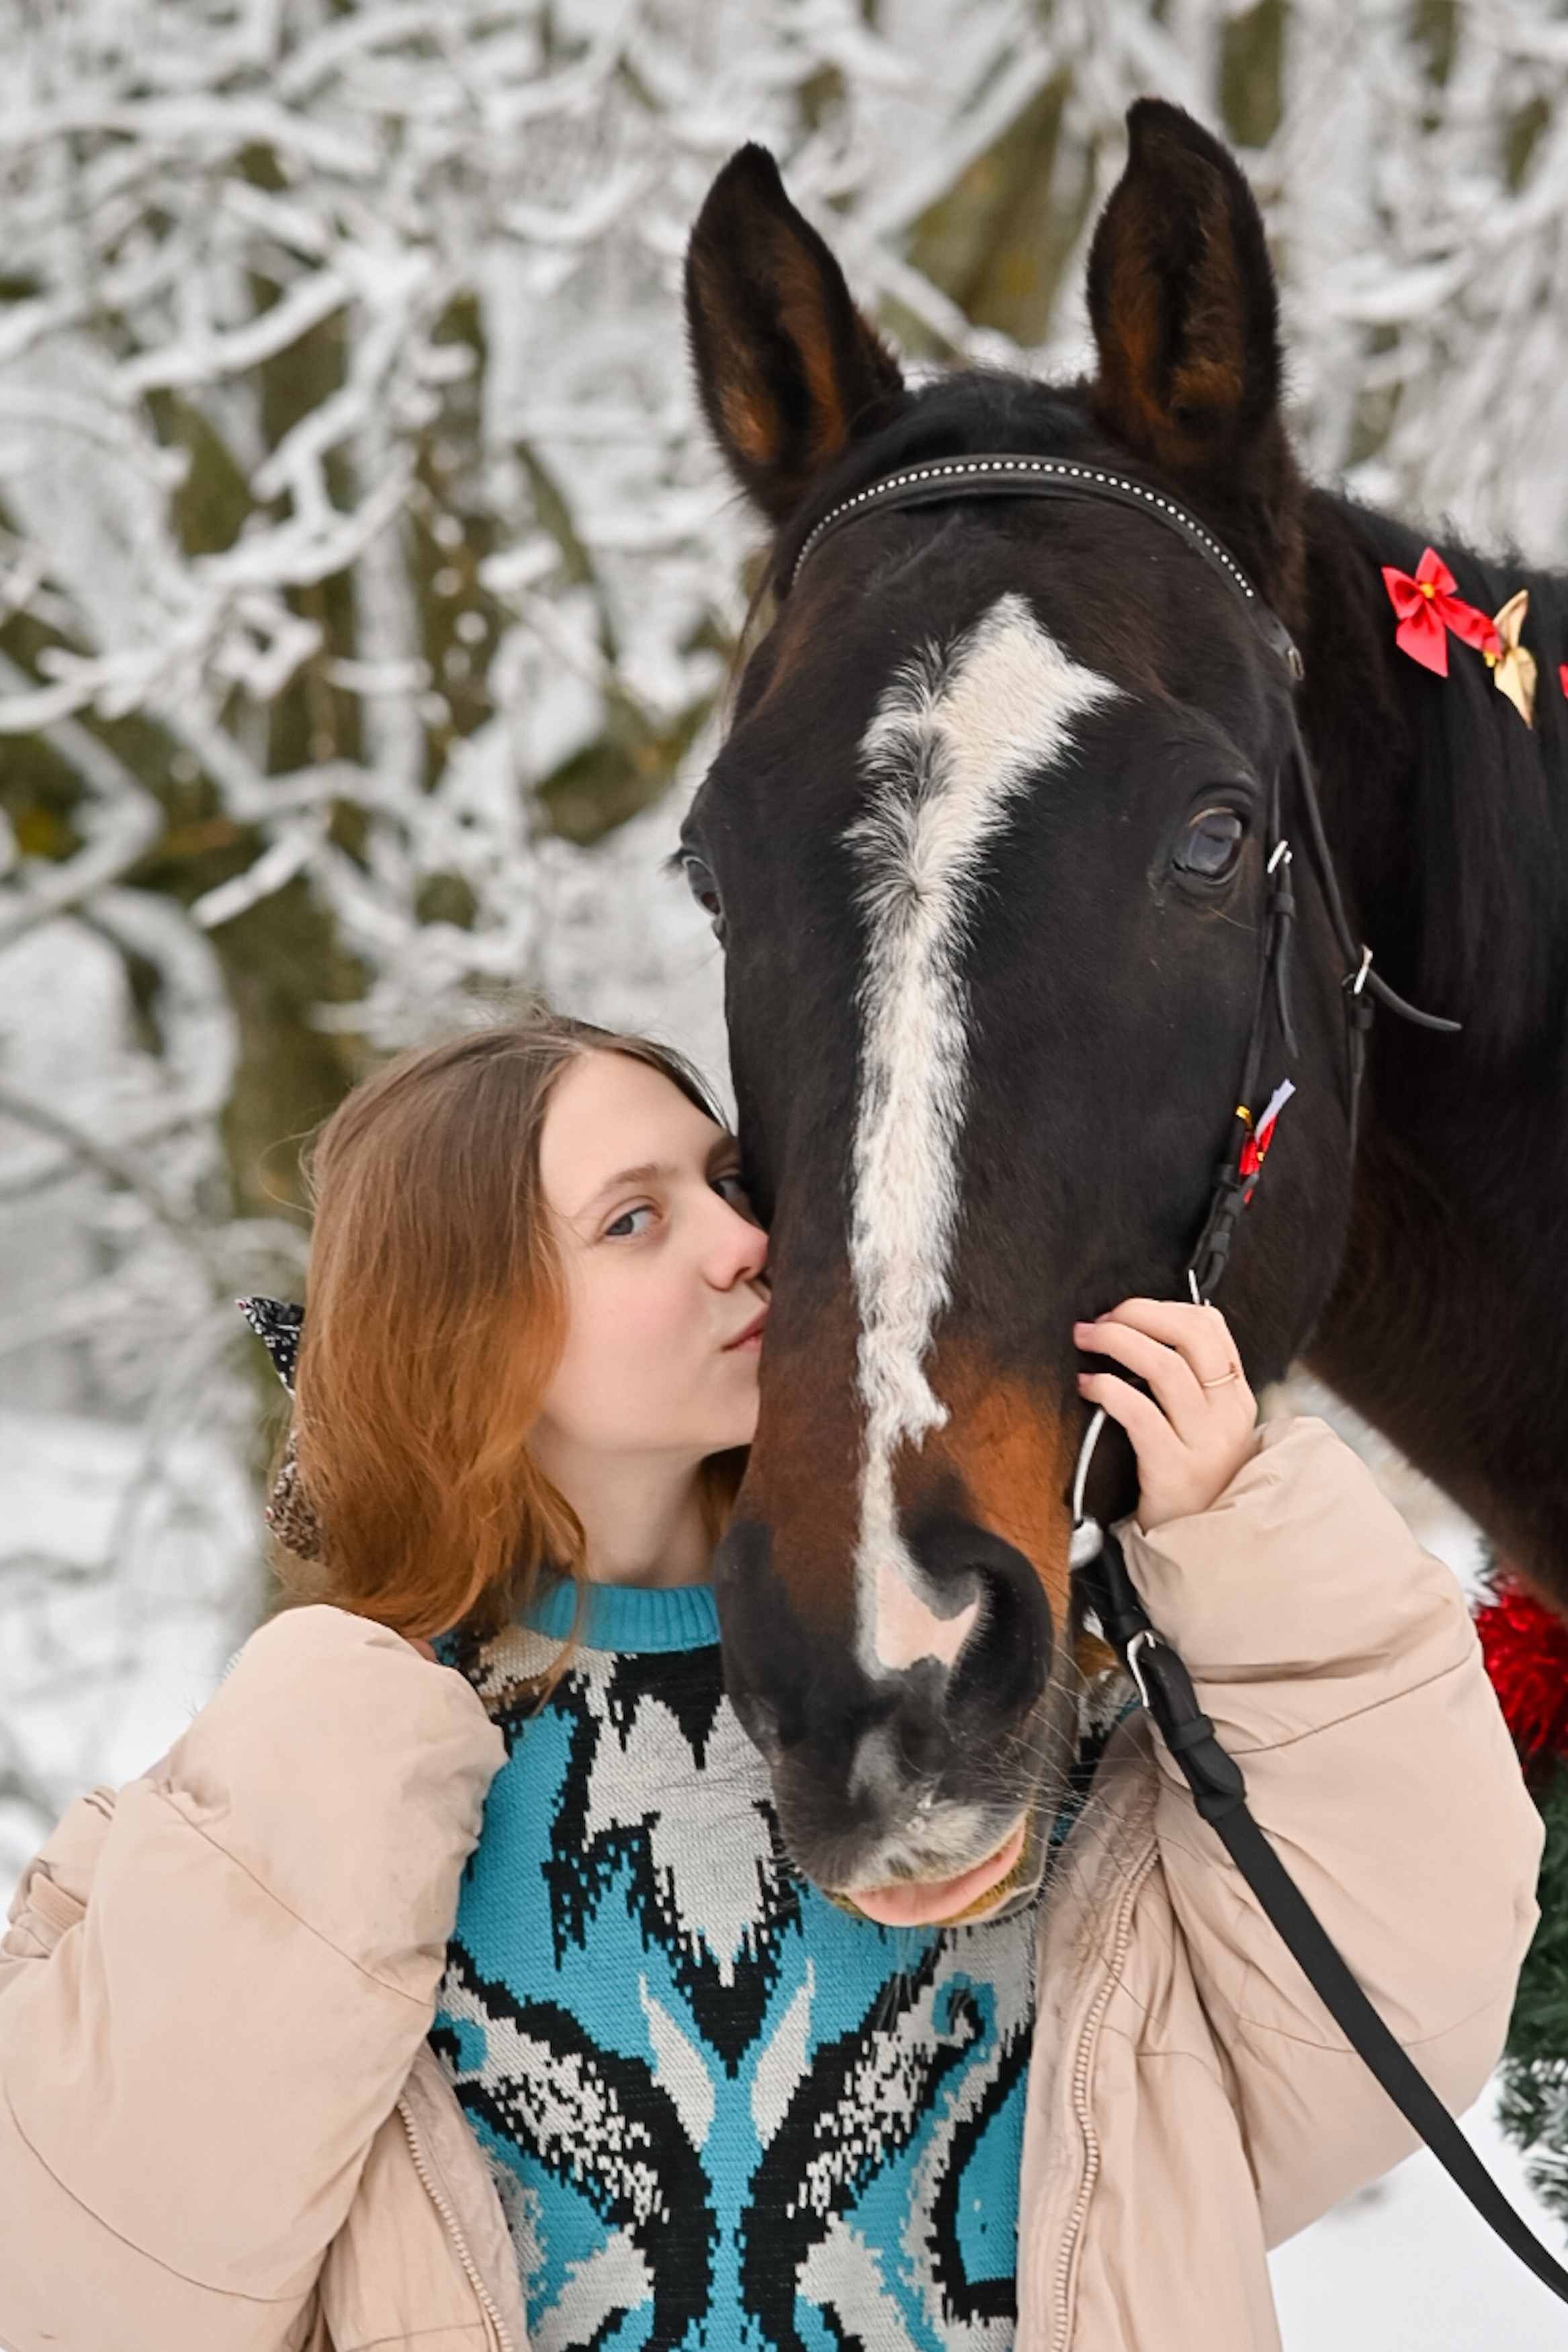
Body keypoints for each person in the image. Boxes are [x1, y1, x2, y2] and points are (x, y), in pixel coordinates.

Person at [0, 1014, 1541, 2352]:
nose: (747, 1238)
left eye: (727, 1184)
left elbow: (1396, 2015)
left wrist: (1245, 1538)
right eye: (633, 1221)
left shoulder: (973, 1677)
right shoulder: (322, 1791)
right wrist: (317, 1760)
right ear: (463, 1334)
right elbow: (96, 2282)